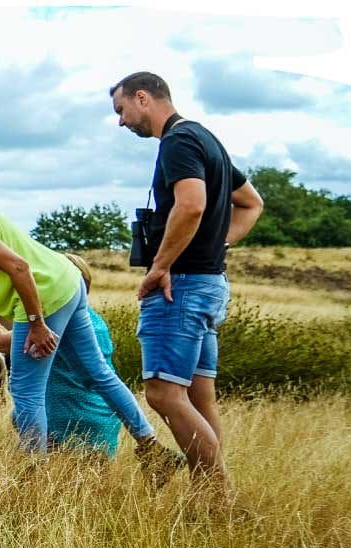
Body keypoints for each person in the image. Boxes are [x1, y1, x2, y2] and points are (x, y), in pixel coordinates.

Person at [0, 174, 183, 484]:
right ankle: (152, 449)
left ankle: (34, 474)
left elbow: (18, 267)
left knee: (26, 392)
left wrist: (37, 323)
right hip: (67, 282)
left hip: (46, 296)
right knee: (97, 372)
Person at [110, 72, 265, 490]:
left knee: (162, 393)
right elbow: (251, 203)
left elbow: (191, 205)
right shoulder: (206, 138)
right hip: (209, 282)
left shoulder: (177, 141)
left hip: (179, 287)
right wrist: (218, 245)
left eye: (121, 110)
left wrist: (160, 267)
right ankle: (208, 494)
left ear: (142, 97)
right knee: (198, 395)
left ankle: (218, 495)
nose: (121, 122)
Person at [0, 254, 119, 457]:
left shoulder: (57, 321)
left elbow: (0, 342)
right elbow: (29, 338)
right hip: (102, 419)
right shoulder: (92, 321)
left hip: (68, 421)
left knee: (36, 478)